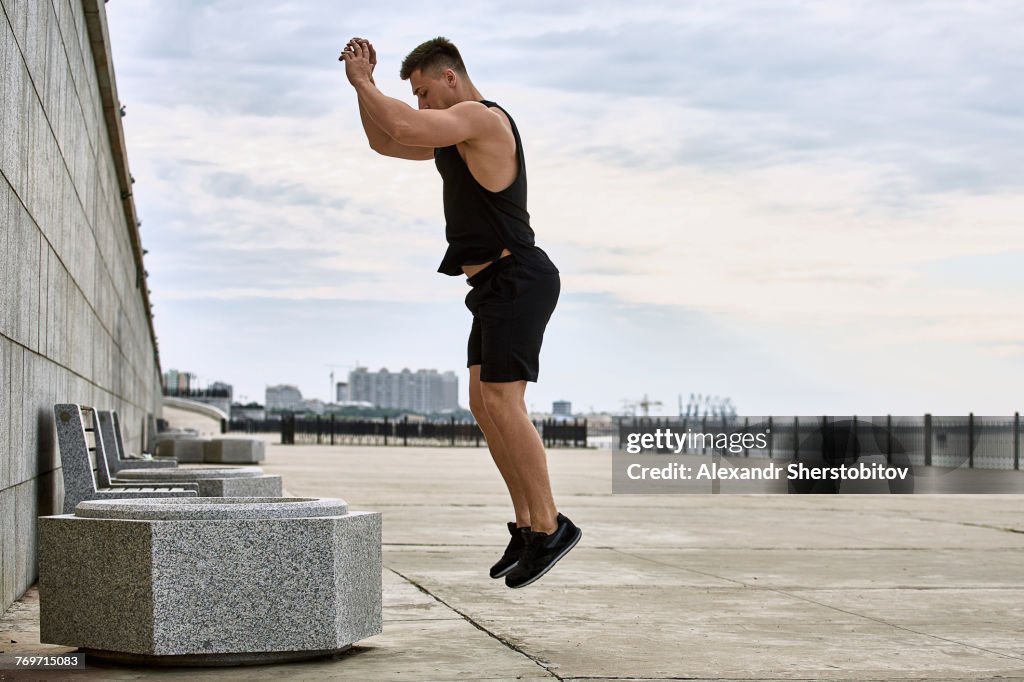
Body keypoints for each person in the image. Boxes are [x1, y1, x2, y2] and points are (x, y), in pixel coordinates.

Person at [339, 36, 581, 588]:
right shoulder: (454, 138)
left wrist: (364, 82)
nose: (422, 105)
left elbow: (401, 126)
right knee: (482, 401)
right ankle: (527, 526)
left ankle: (550, 525)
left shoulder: (481, 118)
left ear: (451, 77)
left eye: (424, 92)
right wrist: (363, 89)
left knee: (502, 398)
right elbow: (385, 141)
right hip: (495, 283)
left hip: (518, 276)